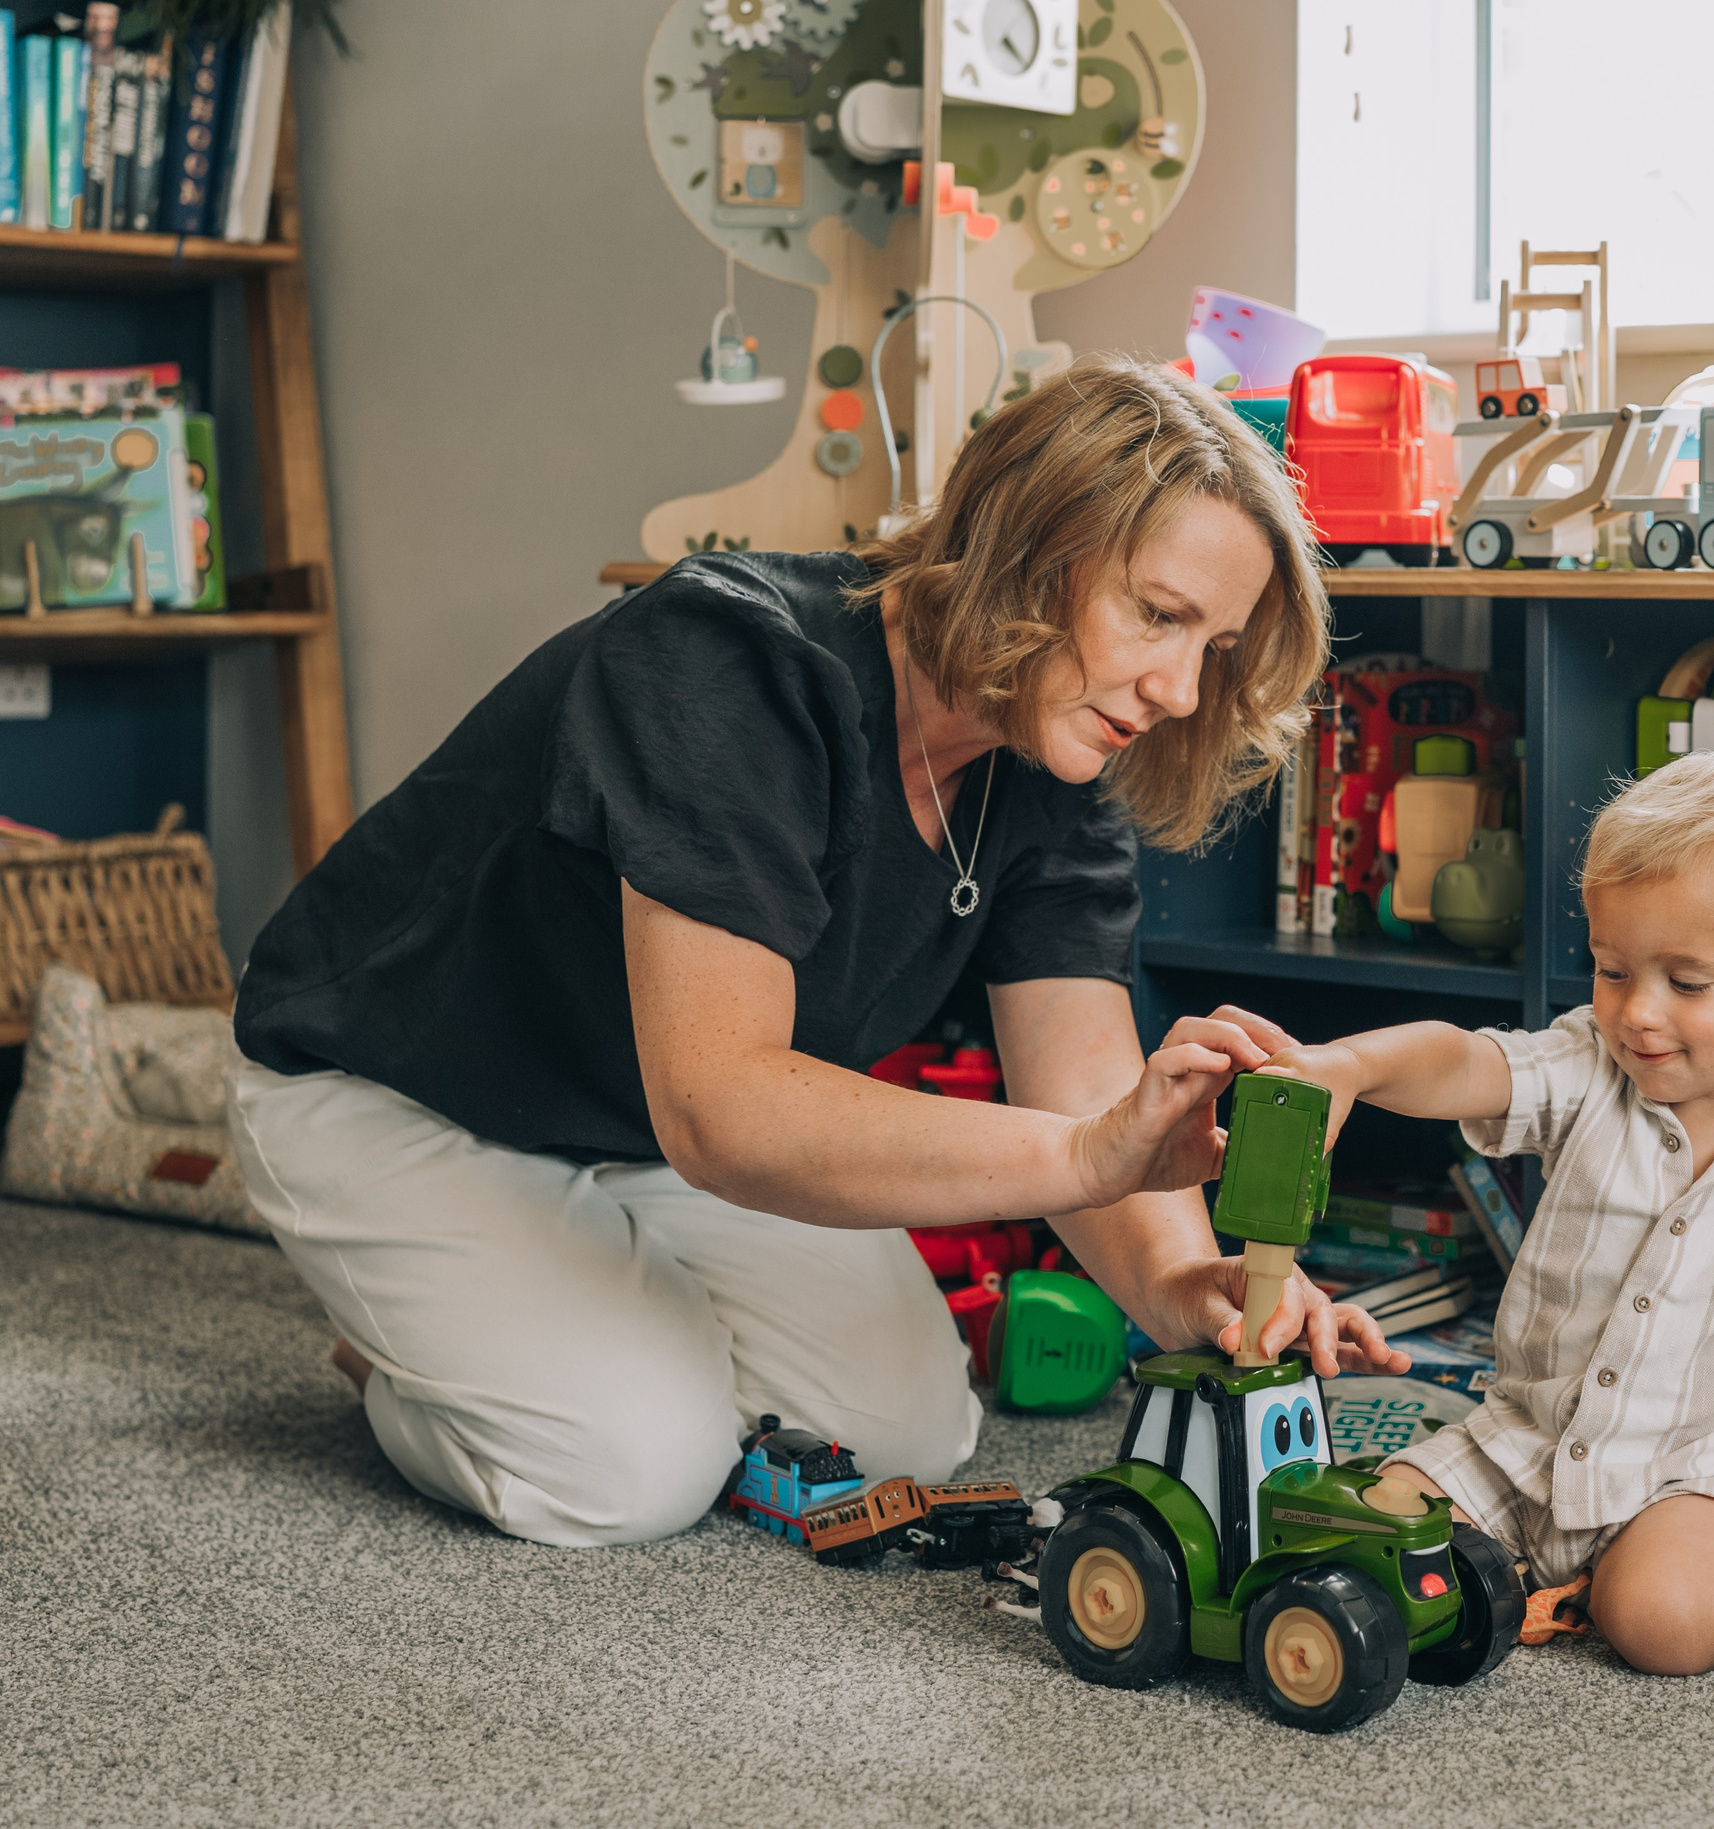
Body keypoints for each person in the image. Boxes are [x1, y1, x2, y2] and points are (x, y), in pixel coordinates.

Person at [227, 354, 1405, 1549]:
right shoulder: (727, 657)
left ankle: (565, 1319)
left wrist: (1171, 1287)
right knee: (628, 1470)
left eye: (1212, 646)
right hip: (400, 1088)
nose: (1178, 688)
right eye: (1157, 615)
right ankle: (404, 1357)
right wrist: (1095, 1149)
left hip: (636, 1124)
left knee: (901, 1432)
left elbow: (1088, 1091)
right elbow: (727, 1107)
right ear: (1027, 545)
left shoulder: (1055, 755)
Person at [1257, 752, 1714, 1675]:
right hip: (1527, 1439)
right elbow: (1469, 1062)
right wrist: (1350, 1065)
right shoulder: (1590, 1063)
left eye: (1686, 982)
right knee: (1363, 1543)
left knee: (1660, 1622)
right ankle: (1542, 1569)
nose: (1636, 1011)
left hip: (1705, 1469)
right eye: (1611, 968)